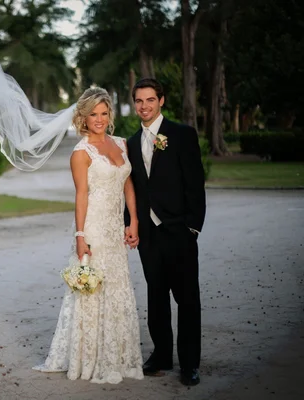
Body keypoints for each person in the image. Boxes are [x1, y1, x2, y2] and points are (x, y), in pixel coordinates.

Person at [33, 87, 143, 384]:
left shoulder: (121, 143)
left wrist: (133, 221)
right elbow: (81, 196)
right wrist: (81, 235)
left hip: (115, 229)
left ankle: (119, 356)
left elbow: (127, 184)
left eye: (104, 113)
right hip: (94, 227)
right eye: (93, 114)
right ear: (83, 117)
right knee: (92, 293)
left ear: (110, 115)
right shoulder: (81, 153)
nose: (99, 119)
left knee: (118, 289)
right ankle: (90, 359)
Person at [124, 78, 206, 386]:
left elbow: (195, 186)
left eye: (150, 100)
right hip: (148, 236)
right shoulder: (131, 143)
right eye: (139, 101)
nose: (144, 106)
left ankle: (189, 364)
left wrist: (192, 228)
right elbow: (132, 189)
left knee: (187, 300)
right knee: (155, 298)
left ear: (161, 101)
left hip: (179, 231)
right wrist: (130, 224)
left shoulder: (182, 135)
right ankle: (161, 355)